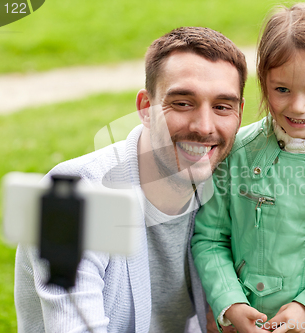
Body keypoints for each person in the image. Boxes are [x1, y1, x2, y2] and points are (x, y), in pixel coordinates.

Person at [14, 26, 247, 333]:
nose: (204, 127)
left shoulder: (235, 186)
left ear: (239, 114)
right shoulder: (69, 196)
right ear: (145, 109)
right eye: (182, 103)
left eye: (221, 107)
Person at [191, 3, 305, 333]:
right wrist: (231, 303)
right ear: (264, 81)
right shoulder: (237, 151)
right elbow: (210, 238)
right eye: (282, 89)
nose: (297, 106)